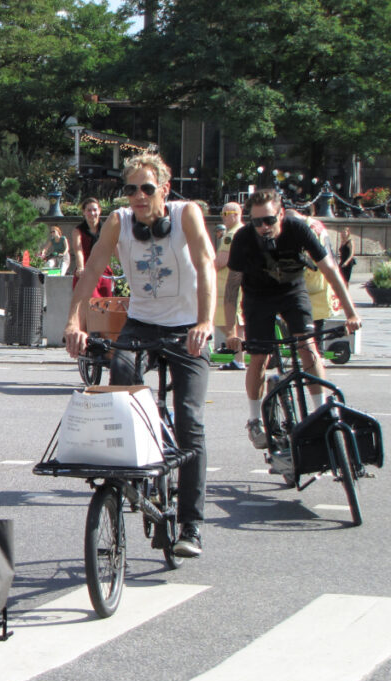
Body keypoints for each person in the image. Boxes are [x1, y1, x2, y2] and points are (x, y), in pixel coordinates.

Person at [64, 153, 216, 557]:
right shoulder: (119, 222)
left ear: (164, 189)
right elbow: (92, 271)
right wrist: (73, 324)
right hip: (141, 324)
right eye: (130, 189)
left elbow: (206, 266)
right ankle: (136, 469)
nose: (137, 196)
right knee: (120, 381)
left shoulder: (187, 216)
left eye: (146, 188)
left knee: (190, 419)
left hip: (186, 327)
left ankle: (191, 525)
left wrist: (205, 322)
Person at [225, 190, 361, 450]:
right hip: (258, 297)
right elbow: (232, 286)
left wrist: (351, 312)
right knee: (259, 357)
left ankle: (321, 414)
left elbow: (330, 269)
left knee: (308, 347)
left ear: (281, 214)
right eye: (256, 222)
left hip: (292, 291)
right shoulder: (243, 238)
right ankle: (255, 419)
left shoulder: (298, 229)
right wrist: (232, 331)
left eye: (269, 220)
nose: (264, 227)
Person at [215, 202, 246, 370]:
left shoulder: (231, 235)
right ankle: (239, 358)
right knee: (236, 324)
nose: (223, 218)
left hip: (227, 286)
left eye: (225, 214)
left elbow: (221, 261)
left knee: (230, 324)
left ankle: (238, 357)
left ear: (235, 214)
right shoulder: (242, 231)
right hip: (238, 285)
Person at [70, 197, 114, 298]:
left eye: (95, 210)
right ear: (84, 212)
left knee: (108, 302)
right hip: (86, 271)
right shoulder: (78, 231)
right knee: (93, 301)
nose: (92, 213)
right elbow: (78, 250)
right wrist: (81, 267)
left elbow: (115, 248)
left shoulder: (107, 229)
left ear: (99, 211)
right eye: (89, 210)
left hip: (103, 270)